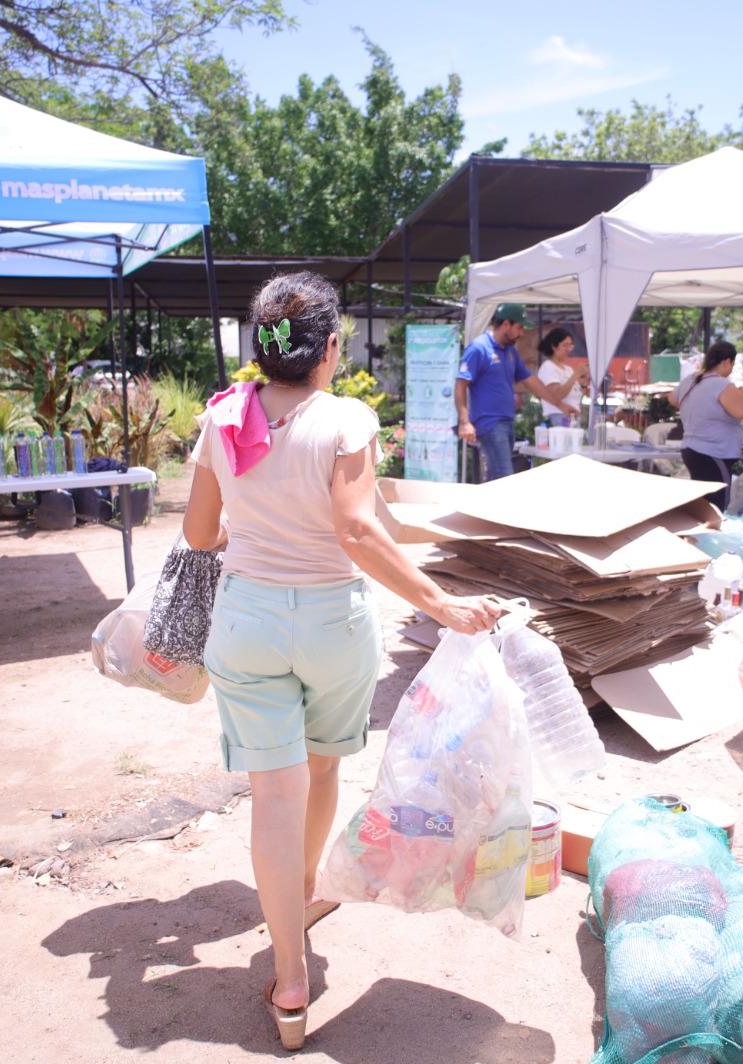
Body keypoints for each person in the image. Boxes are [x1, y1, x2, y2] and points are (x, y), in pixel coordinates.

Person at [183, 271, 504, 1051]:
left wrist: (251, 532)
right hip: (333, 625)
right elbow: (357, 531)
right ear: (330, 348)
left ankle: (290, 980)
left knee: (273, 795)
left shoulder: (222, 417)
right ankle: (303, 891)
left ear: (261, 348)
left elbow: (198, 535)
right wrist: (443, 605)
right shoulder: (347, 419)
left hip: (248, 622)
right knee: (323, 768)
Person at [455, 304, 562, 481]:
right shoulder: (479, 348)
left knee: (497, 477)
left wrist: (559, 403)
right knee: (504, 476)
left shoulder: (510, 351)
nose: (522, 333)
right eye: (519, 327)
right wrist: (464, 422)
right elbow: (460, 385)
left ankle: (483, 500)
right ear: (506, 324)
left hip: (507, 422)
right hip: (489, 423)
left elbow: (530, 380)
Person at [674, 339, 743, 508]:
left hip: (692, 449)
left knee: (702, 506)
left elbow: (672, 398)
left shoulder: (690, 380)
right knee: (716, 507)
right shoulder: (720, 384)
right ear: (727, 362)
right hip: (713, 453)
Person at [534, 326, 589, 427]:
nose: (569, 349)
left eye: (570, 345)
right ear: (554, 347)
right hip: (558, 415)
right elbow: (556, 395)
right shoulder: (548, 366)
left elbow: (578, 395)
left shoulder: (568, 369)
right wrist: (575, 375)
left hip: (573, 416)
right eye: (565, 345)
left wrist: (584, 380)